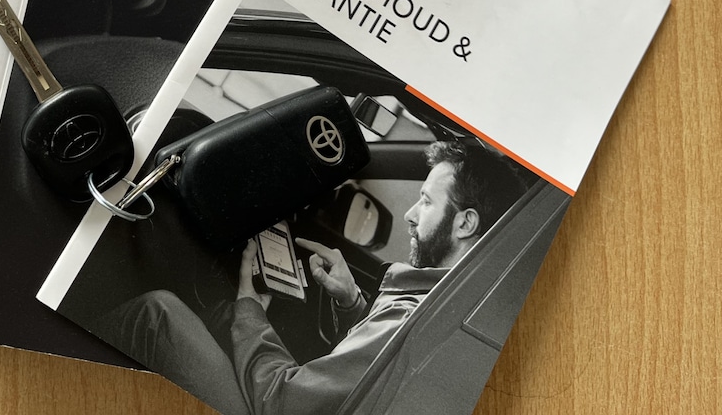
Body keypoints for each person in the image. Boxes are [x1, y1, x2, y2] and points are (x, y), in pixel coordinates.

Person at [101, 139, 528, 415]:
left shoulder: (414, 318)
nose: (410, 215)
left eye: (427, 202)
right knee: (218, 317)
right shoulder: (460, 313)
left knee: (158, 316)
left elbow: (280, 401)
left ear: (465, 223)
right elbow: (377, 378)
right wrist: (352, 303)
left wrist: (250, 309)